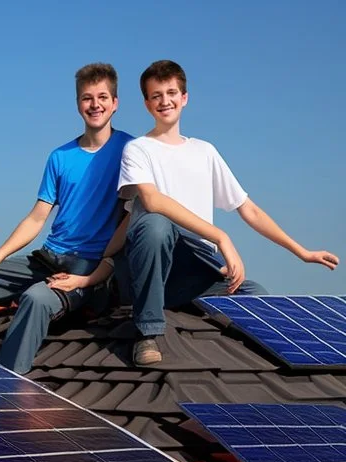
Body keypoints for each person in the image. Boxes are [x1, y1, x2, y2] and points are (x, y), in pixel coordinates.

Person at [0, 63, 134, 374]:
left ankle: (2, 389)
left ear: (115, 103)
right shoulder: (60, 156)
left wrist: (99, 271)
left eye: (102, 97)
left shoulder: (131, 151)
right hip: (46, 258)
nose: (94, 105)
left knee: (36, 300)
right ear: (77, 104)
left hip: (89, 268)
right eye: (87, 98)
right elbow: (36, 218)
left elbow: (133, 214)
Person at [118, 60, 338, 365]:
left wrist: (301, 252)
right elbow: (154, 202)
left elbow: (248, 208)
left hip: (197, 264)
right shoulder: (138, 149)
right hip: (157, 260)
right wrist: (220, 236)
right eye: (156, 96)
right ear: (146, 104)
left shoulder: (204, 151)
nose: (164, 101)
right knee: (156, 224)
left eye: (171, 92)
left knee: (254, 296)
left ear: (185, 97)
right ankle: (148, 333)